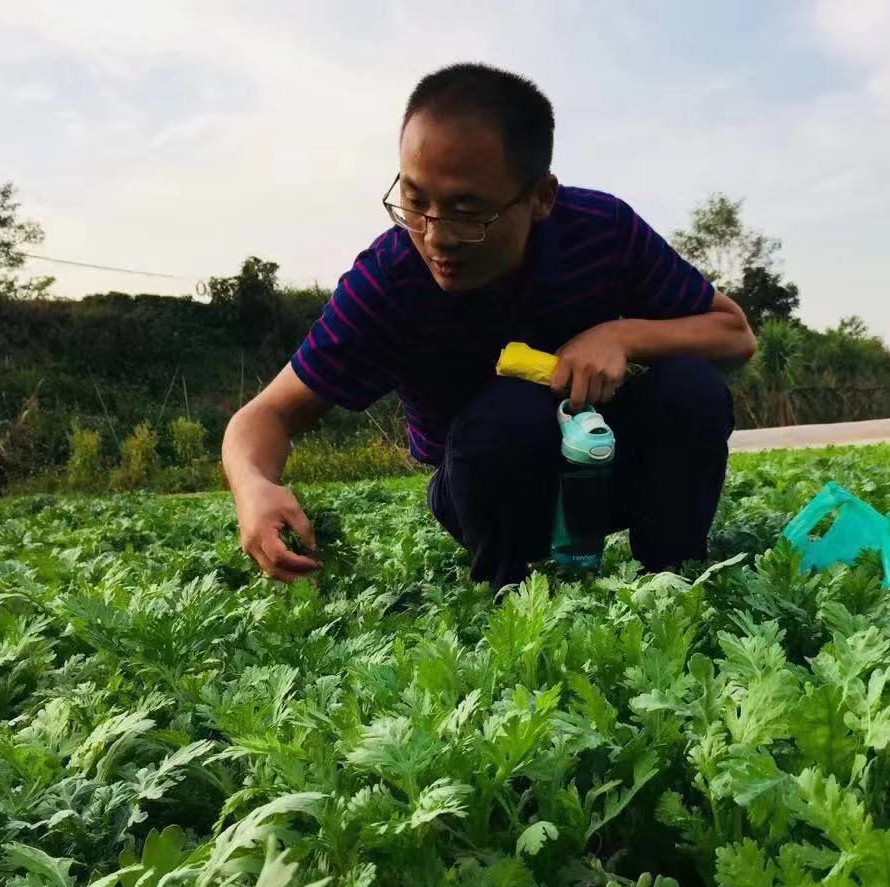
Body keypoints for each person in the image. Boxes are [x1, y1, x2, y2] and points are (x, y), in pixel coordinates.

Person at [221, 63, 755, 592]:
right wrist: (252, 486)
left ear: (541, 197)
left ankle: (675, 577)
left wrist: (622, 336)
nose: (435, 237)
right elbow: (267, 413)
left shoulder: (600, 232)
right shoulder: (390, 282)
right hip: (488, 487)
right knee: (510, 414)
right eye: (414, 201)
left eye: (467, 212)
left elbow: (733, 335)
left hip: (606, 461)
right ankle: (513, 596)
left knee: (691, 389)